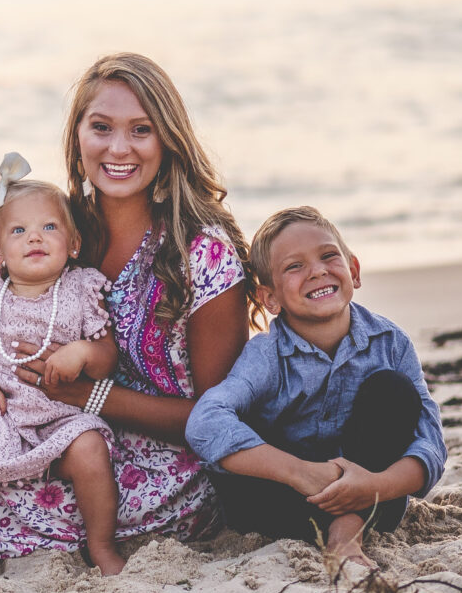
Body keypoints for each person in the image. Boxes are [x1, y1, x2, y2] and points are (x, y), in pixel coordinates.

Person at [0, 52, 253, 567]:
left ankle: (94, 543)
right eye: (101, 127)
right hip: (34, 425)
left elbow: (217, 419)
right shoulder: (59, 231)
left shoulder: (201, 252)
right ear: (78, 138)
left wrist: (89, 396)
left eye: (141, 130)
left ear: (167, 141)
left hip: (155, 461)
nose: (119, 147)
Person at [185, 206, 446, 571]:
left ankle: (346, 530)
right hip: (286, 501)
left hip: (373, 494)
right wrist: (299, 473)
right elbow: (204, 421)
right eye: (294, 266)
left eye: (328, 256)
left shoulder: (390, 342)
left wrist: (375, 486)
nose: (318, 270)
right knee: (238, 456)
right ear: (270, 298)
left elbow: (431, 442)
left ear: (353, 270)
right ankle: (342, 527)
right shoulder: (265, 354)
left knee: (394, 391)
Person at [0, 153, 123, 574]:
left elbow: (107, 356)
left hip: (61, 417)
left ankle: (103, 546)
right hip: (0, 415)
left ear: (73, 244)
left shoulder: (81, 289)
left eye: (49, 227)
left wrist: (83, 353)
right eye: (19, 231)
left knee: (90, 448)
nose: (35, 238)